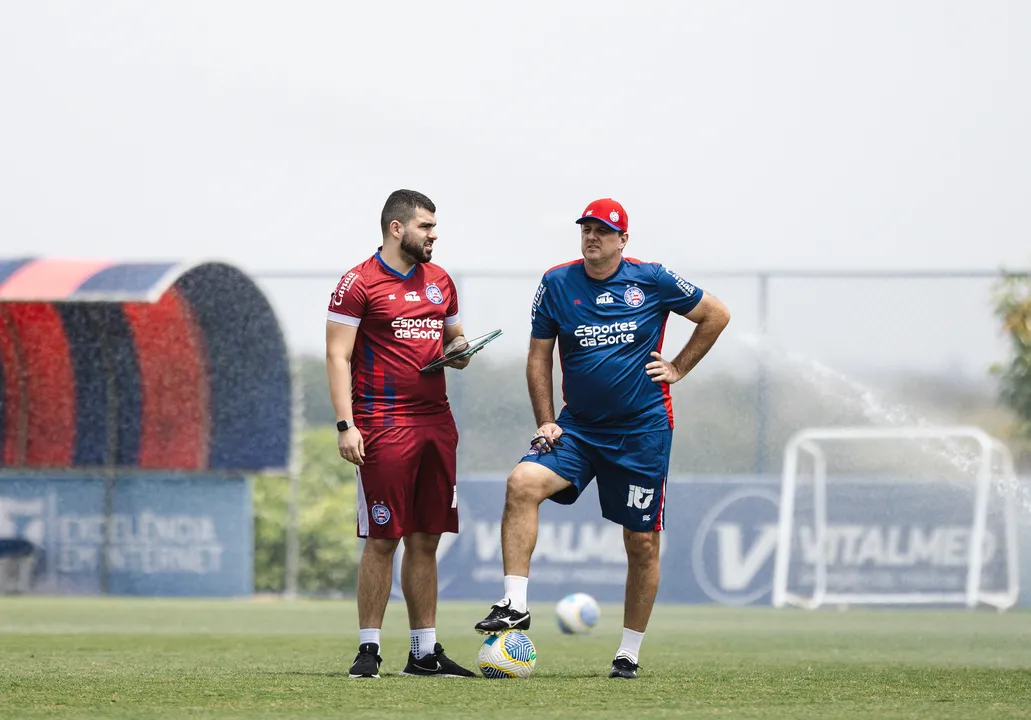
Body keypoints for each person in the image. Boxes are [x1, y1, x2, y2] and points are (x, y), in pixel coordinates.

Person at [473, 198, 731, 679]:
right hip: (579, 428)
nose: (592, 236)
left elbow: (716, 314)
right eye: (586, 228)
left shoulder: (651, 278)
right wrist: (547, 419)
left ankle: (628, 653)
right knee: (520, 483)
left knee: (641, 542)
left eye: (603, 230)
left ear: (622, 239)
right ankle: (514, 604)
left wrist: (678, 367)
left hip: (641, 432)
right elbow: (537, 357)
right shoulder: (556, 282)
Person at [326, 189, 475, 679]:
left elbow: (456, 342)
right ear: (398, 228)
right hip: (382, 422)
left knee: (426, 538)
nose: (434, 235)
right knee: (382, 537)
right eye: (426, 226)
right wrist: (347, 425)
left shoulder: (441, 281)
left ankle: (424, 651)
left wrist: (462, 349)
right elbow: (337, 355)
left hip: (437, 420)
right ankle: (369, 649)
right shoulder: (357, 283)